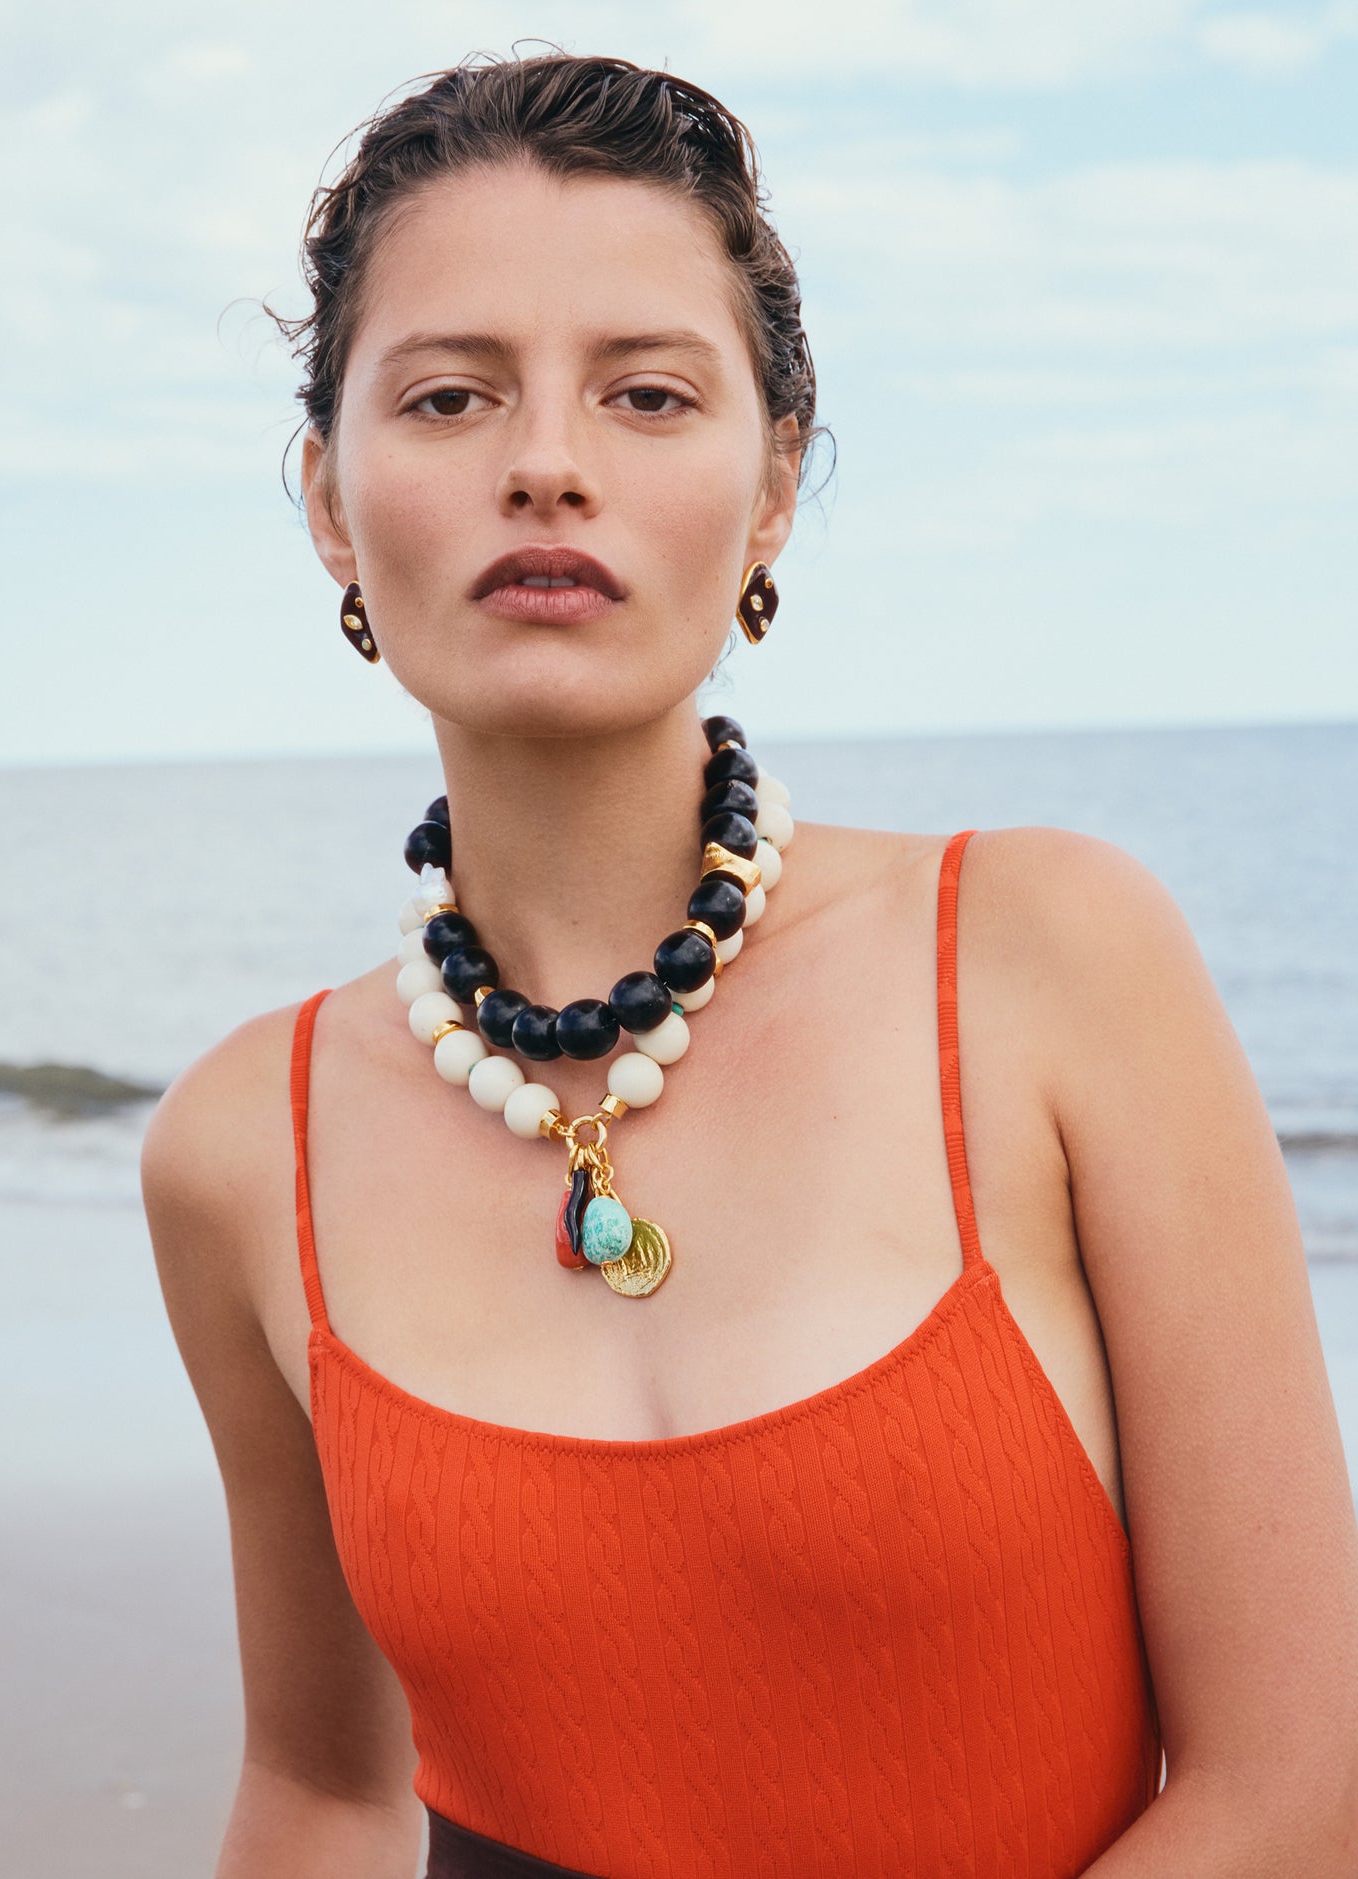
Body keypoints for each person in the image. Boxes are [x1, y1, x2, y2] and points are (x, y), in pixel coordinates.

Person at [140, 49, 1358, 1879]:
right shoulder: (244, 1150)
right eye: (453, 397)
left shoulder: (1047, 962)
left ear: (772, 488)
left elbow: (1296, 1786)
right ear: (332, 501)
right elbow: (319, 1791)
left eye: (646, 394)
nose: (547, 466)